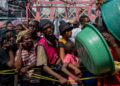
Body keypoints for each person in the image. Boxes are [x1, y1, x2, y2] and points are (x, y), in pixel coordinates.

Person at [36, 19, 67, 85]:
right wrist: (60, 77)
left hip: (56, 71)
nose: (49, 30)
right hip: (48, 77)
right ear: (42, 31)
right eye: (45, 29)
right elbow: (43, 66)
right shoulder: (41, 44)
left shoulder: (55, 39)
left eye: (50, 27)